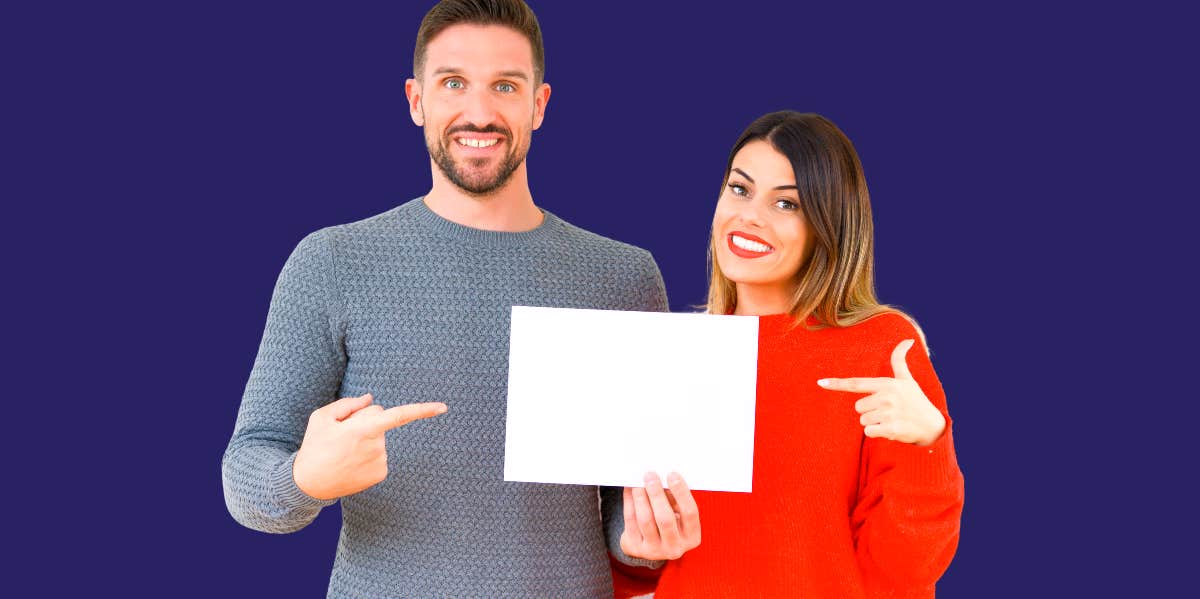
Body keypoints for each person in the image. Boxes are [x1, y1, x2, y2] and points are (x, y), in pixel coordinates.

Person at [221, 1, 683, 596]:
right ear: (417, 100)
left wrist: (644, 543)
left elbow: (630, 508)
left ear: (538, 105)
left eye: (506, 86)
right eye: (454, 83)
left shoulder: (622, 277)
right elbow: (247, 473)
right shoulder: (332, 262)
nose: (480, 111)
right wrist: (303, 478)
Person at [646, 111, 965, 597]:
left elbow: (904, 574)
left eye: (787, 204)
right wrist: (637, 548)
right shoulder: (677, 354)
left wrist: (927, 444)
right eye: (739, 189)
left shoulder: (881, 347)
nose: (750, 215)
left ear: (827, 227)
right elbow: (632, 565)